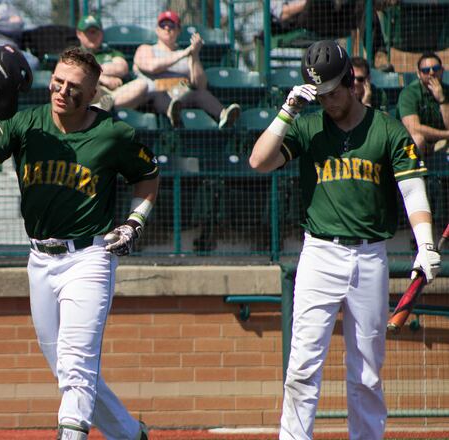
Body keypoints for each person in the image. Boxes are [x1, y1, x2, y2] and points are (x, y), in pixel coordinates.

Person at [0, 46, 157, 440]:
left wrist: (135, 222)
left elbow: (148, 175)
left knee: (77, 365)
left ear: (93, 93)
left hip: (89, 257)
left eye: (74, 87)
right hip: (39, 260)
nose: (62, 91)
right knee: (66, 368)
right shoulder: (25, 123)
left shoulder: (112, 133)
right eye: (58, 81)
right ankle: (131, 435)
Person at [248, 40, 441, 440]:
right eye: (319, 93)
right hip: (319, 252)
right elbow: (259, 161)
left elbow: (412, 190)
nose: (327, 101)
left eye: (332, 92)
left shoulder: (386, 128)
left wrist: (425, 243)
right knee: (302, 367)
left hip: (370, 256)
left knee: (367, 372)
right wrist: (288, 110)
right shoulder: (307, 125)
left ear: (352, 82)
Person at [133, 10, 240, 128]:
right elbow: (151, 67)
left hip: (181, 94)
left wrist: (194, 55)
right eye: (163, 25)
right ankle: (172, 113)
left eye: (171, 25)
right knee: (159, 95)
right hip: (156, 95)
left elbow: (200, 85)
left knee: (201, 94)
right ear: (157, 30)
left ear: (178, 30)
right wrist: (184, 53)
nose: (167, 28)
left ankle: (224, 116)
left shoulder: (188, 55)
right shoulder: (146, 49)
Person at [75, 14, 147, 112]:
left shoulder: (111, 52)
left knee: (142, 84)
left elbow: (122, 68)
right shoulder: (74, 53)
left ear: (101, 33)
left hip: (115, 94)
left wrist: (91, 71)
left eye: (96, 32)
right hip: (91, 92)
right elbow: (75, 74)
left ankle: (102, 106)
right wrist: (102, 79)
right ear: (79, 34)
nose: (93, 36)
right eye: (89, 32)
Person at [397, 52, 449, 155]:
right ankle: (413, 166)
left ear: (442, 70)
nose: (431, 73)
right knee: (417, 140)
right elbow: (413, 128)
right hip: (410, 146)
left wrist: (442, 100)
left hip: (442, 143)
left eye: (435, 68)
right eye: (426, 70)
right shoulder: (409, 93)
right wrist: (446, 135)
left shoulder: (447, 91)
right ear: (418, 74)